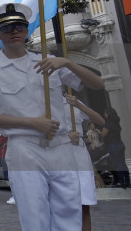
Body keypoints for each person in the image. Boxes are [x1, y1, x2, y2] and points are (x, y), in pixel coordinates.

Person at [0, 2, 105, 231]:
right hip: (26, 149)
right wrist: (31, 122)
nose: (15, 31)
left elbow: (97, 84)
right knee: (35, 218)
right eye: (7, 28)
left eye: (20, 26)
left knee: (70, 216)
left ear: (27, 30)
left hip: (62, 148)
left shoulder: (48, 62)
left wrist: (68, 63)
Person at [63, 94, 103, 231]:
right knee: (62, 204)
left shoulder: (71, 101)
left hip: (79, 155)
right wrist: (66, 136)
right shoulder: (42, 103)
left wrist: (78, 105)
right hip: (58, 154)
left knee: (84, 204)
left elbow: (100, 120)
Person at [100, 107, 129, 188]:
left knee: (117, 164)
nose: (104, 114)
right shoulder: (116, 123)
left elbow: (103, 134)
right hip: (120, 144)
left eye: (105, 113)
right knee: (122, 163)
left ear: (108, 114)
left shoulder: (108, 123)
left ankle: (120, 182)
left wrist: (99, 132)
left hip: (113, 145)